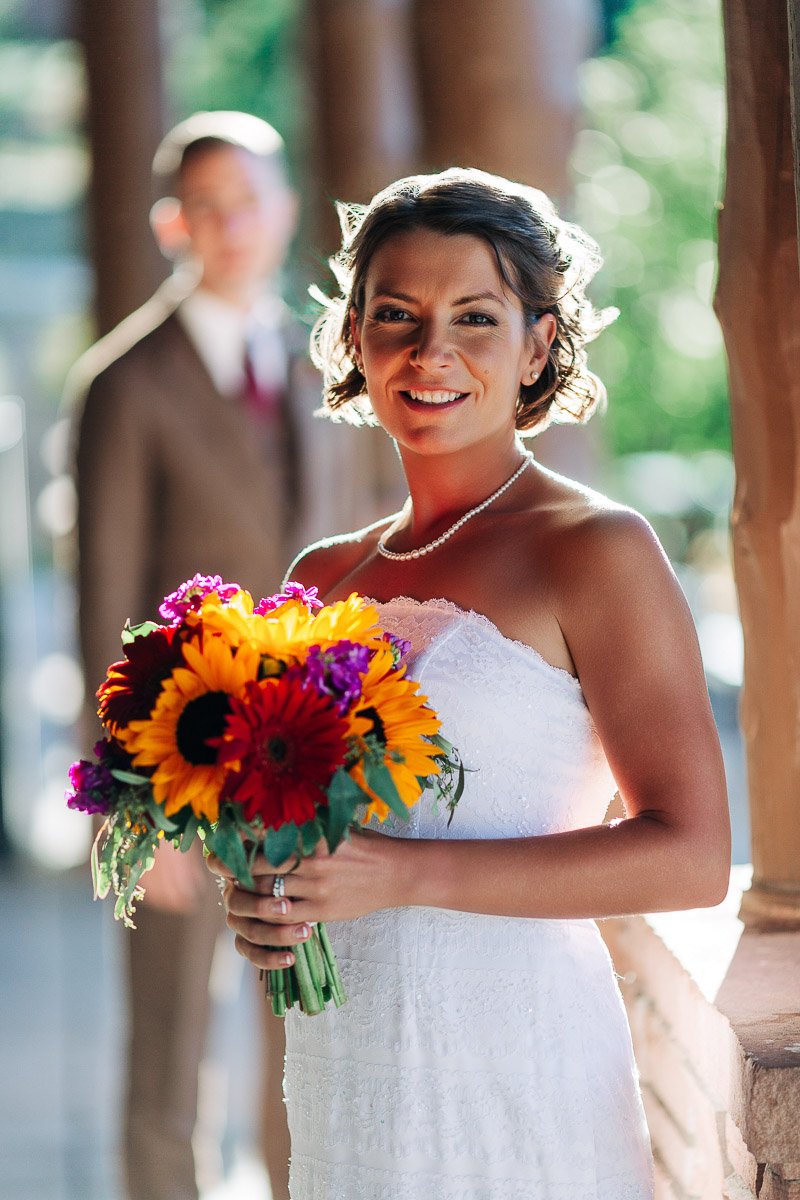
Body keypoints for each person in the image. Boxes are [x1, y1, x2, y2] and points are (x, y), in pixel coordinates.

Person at [209, 168, 732, 1199]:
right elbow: (297, 829)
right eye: (395, 315)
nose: (429, 352)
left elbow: (692, 859)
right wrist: (264, 895)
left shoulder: (595, 551)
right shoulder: (319, 578)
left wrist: (403, 876)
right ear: (353, 335)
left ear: (538, 344)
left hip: (519, 1074)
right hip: (347, 1077)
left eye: (475, 317)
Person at [68, 112, 369, 1200]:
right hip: (171, 769)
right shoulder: (124, 382)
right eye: (208, 207)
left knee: (301, 1031)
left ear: (285, 209)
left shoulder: (309, 370)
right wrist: (126, 801)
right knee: (168, 1049)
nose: (233, 226)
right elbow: (102, 600)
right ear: (171, 224)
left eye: (251, 201)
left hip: (300, 764)